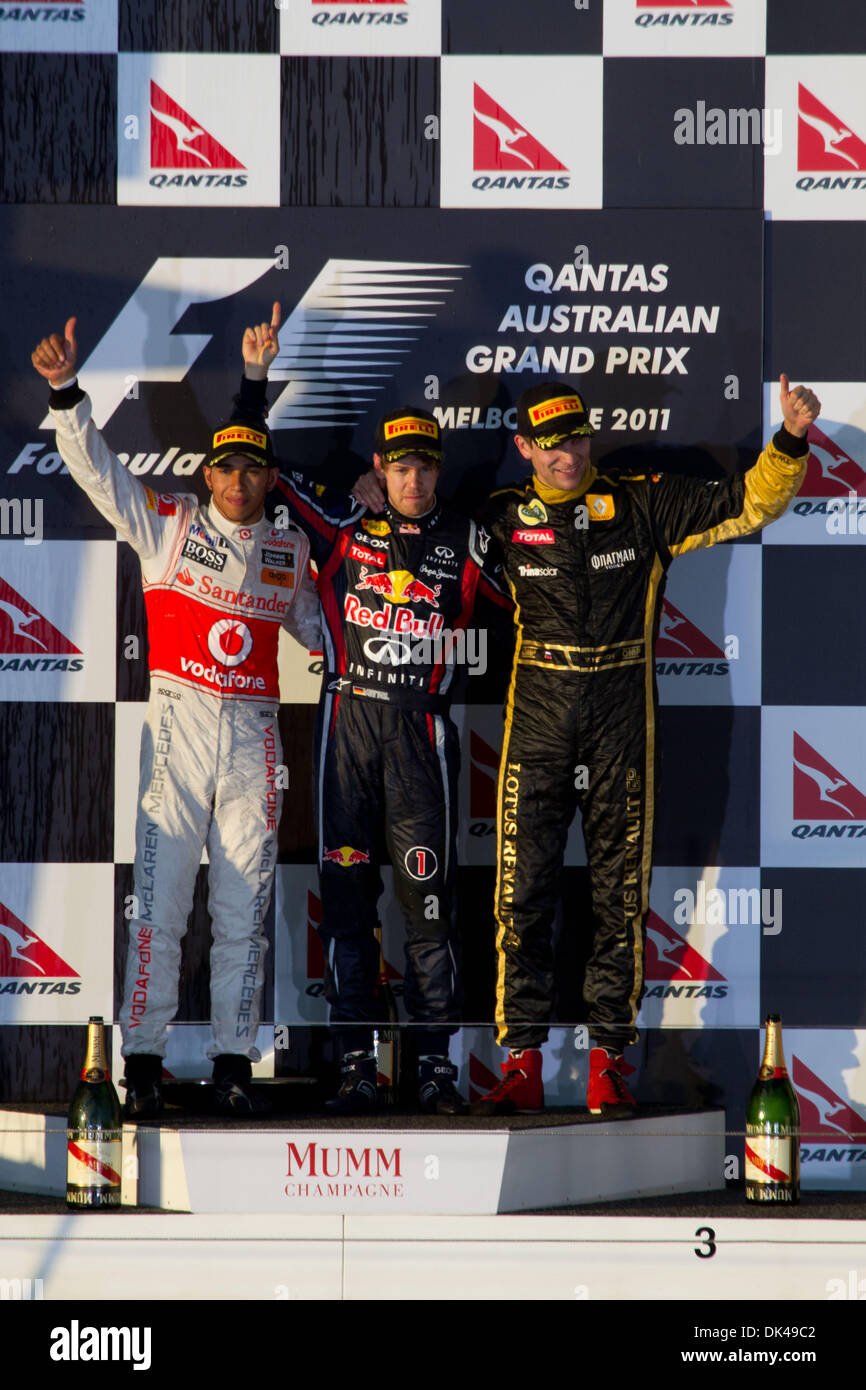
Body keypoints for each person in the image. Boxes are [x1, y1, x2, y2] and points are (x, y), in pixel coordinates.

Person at [473, 375, 821, 1116]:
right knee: (521, 893)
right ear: (524, 447)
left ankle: (609, 1061)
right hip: (537, 708)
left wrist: (788, 439)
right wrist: (375, 490)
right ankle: (521, 1063)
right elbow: (418, 542)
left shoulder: (642, 500)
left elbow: (749, 503)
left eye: (576, 437)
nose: (568, 454)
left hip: (621, 708)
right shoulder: (497, 517)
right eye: (552, 443)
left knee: (619, 895)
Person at [32, 317, 322, 1118]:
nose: (238, 481)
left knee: (243, 916)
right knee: (159, 911)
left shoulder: (290, 554)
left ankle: (234, 1060)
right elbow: (100, 475)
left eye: (251, 470)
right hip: (178, 735)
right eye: (226, 469)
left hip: (255, 743)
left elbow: (330, 633)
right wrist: (67, 396)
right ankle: (146, 1060)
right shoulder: (170, 526)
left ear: (267, 480)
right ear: (207, 474)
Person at [235, 305, 510, 1114]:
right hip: (346, 729)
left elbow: (538, 593)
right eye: (400, 468)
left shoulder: (467, 540)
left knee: (431, 911)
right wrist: (255, 383)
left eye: (426, 467)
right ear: (379, 470)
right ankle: (356, 1061)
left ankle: (432, 1066)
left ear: (439, 468)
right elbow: (256, 469)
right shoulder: (341, 524)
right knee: (347, 906)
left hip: (425, 733)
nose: (415, 480)